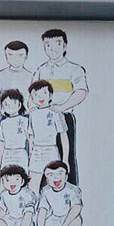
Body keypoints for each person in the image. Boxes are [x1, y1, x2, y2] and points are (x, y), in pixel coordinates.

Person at [32, 28, 87, 185]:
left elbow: (81, 92)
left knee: (65, 155)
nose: (52, 49)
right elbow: (31, 94)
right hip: (42, 120)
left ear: (64, 46)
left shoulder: (74, 69)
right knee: (42, 158)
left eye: (57, 44)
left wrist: (62, 107)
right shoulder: (41, 70)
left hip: (63, 116)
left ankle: (69, 191)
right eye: (47, 45)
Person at [0, 40, 33, 107]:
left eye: (20, 55)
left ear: (26, 56)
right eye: (10, 55)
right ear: (6, 56)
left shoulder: (31, 77)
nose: (15, 59)